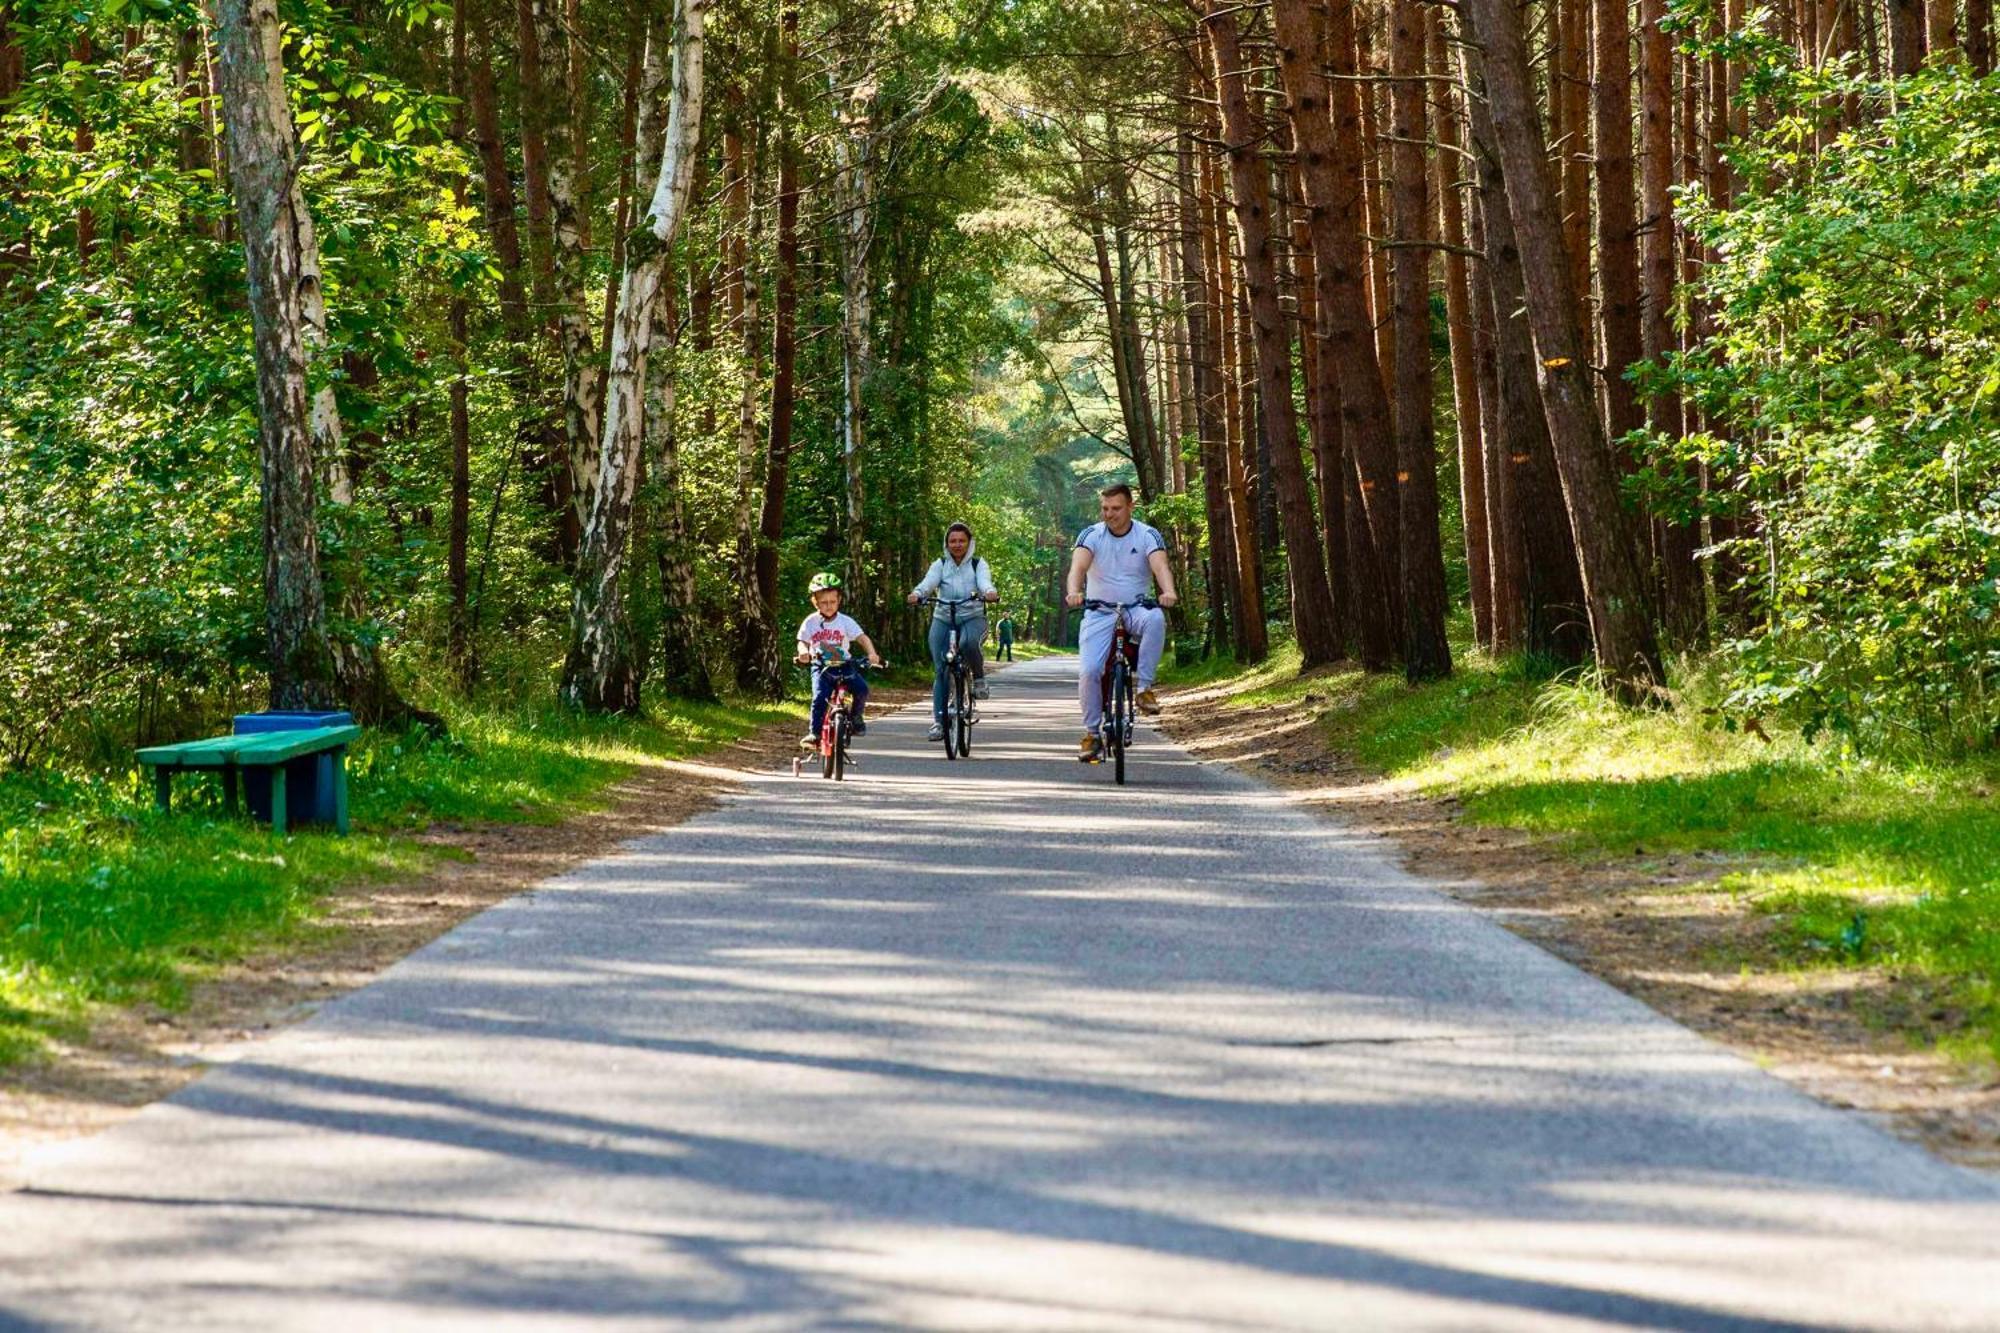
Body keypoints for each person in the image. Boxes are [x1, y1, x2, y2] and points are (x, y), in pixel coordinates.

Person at [1066, 483, 1178, 761]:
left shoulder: (1147, 534)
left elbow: (1160, 566)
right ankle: (1092, 735)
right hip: (1099, 610)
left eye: (1116, 508)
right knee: (1090, 671)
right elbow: (1077, 568)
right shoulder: (1091, 534)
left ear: (1130, 507)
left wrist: (1168, 591)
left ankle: (1144, 690)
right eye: (1105, 508)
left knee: (1155, 619)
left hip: (1135, 607)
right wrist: (1074, 592)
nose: (1109, 514)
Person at [907, 520, 999, 744]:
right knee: (941, 669)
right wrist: (917, 593)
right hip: (944, 618)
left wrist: (989, 592)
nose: (957, 545)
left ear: (969, 543)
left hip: (972, 616)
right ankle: (939, 721)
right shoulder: (940, 564)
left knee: (968, 644)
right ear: (946, 544)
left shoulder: (978, 564)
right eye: (953, 541)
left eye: (962, 541)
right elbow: (928, 583)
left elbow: (985, 582)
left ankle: (978, 678)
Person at [796, 572, 882, 748]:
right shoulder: (811, 622)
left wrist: (872, 654)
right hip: (822, 667)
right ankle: (815, 733)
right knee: (819, 697)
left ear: (839, 600)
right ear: (815, 602)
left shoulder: (845, 621)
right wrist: (804, 652)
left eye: (832, 602)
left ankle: (856, 717)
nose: (828, 606)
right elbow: (802, 641)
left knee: (862, 689)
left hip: (845, 666)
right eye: (823, 602)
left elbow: (862, 638)